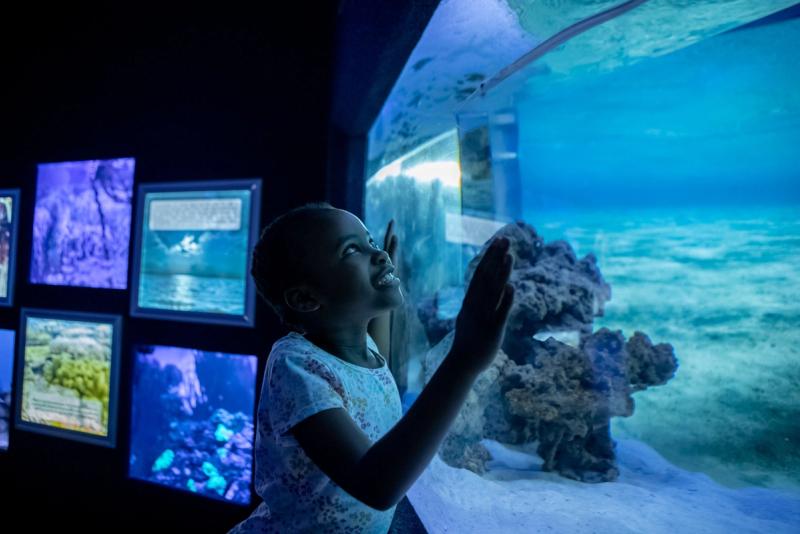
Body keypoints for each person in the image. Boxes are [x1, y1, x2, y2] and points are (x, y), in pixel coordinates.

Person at [229, 202, 514, 533]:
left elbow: (373, 381)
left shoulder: (365, 350)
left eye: (372, 242)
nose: (379, 254)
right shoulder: (296, 366)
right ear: (305, 298)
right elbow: (376, 485)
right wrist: (462, 361)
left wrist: (382, 269)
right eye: (351, 250)